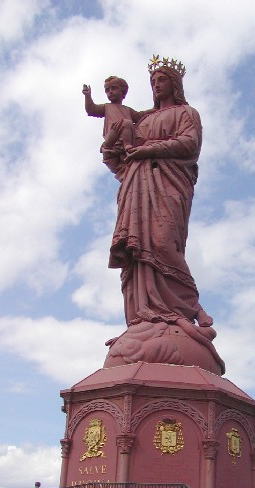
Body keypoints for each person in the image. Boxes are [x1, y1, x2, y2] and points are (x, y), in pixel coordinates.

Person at [105, 57, 214, 331]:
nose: (156, 85)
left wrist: (148, 150)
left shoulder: (186, 113)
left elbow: (190, 145)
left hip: (169, 184)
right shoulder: (142, 119)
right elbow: (116, 155)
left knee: (163, 242)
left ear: (175, 83)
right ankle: (144, 316)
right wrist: (113, 140)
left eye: (161, 79)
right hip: (136, 187)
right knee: (137, 249)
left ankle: (191, 307)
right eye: (152, 81)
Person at [82, 76, 151, 170]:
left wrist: (154, 109)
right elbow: (91, 109)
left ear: (123, 91)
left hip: (128, 135)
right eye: (107, 90)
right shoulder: (106, 107)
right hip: (114, 136)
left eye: (113, 88)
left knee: (128, 124)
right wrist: (87, 96)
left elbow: (139, 116)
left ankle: (128, 146)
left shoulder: (127, 109)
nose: (110, 92)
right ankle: (127, 146)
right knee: (126, 123)